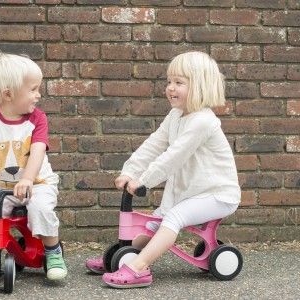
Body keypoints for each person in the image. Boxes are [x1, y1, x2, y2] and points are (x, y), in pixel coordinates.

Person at [86, 51, 241, 288]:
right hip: (192, 192)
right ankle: (118, 257)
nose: (170, 88)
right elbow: (154, 144)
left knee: (173, 218)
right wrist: (130, 171)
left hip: (218, 194)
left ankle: (138, 268)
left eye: (179, 83)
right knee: (154, 222)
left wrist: (145, 180)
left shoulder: (203, 121)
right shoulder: (176, 115)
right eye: (169, 81)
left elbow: (173, 157)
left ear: (199, 86)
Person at [0, 49, 67, 282]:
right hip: (5, 187)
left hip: (38, 183)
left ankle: (52, 252)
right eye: (32, 89)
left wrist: (28, 179)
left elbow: (38, 151)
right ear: (8, 94)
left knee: (41, 208)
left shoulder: (37, 119)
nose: (38, 95)